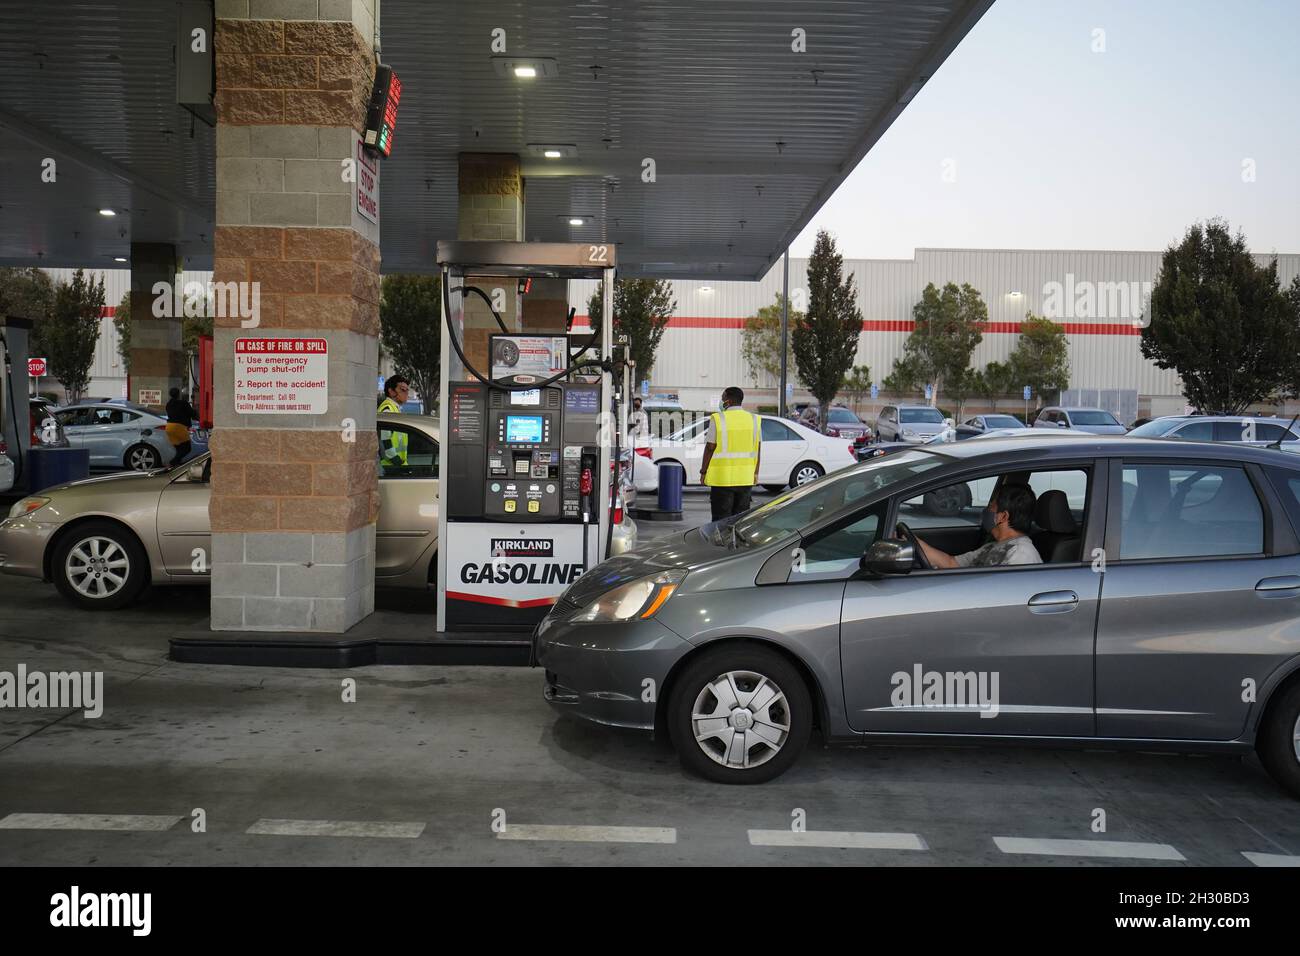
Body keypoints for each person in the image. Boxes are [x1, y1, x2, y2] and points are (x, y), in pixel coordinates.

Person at [910, 483, 1042, 568]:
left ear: (1003, 517)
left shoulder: (1021, 554)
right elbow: (951, 562)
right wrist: (912, 541)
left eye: (991, 506)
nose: (987, 510)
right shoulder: (993, 546)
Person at [700, 386, 762, 522]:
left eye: (722, 398)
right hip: (745, 479)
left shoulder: (718, 418)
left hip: (722, 480)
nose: (721, 401)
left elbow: (710, 447)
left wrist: (703, 472)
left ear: (728, 401)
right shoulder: (754, 419)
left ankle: (721, 543)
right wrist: (756, 473)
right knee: (740, 520)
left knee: (720, 520)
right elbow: (757, 448)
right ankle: (736, 543)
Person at [377, 374, 409, 469]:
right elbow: (385, 440)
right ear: (391, 391)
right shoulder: (388, 410)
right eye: (403, 390)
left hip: (395, 466)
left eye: (407, 390)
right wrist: (396, 461)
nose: (406, 393)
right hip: (390, 468)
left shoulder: (394, 408)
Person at [164, 387, 197, 466]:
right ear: (179, 394)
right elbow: (192, 413)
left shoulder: (168, 404)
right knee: (187, 448)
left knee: (179, 448)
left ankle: (177, 464)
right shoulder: (183, 403)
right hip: (179, 427)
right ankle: (174, 461)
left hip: (169, 427)